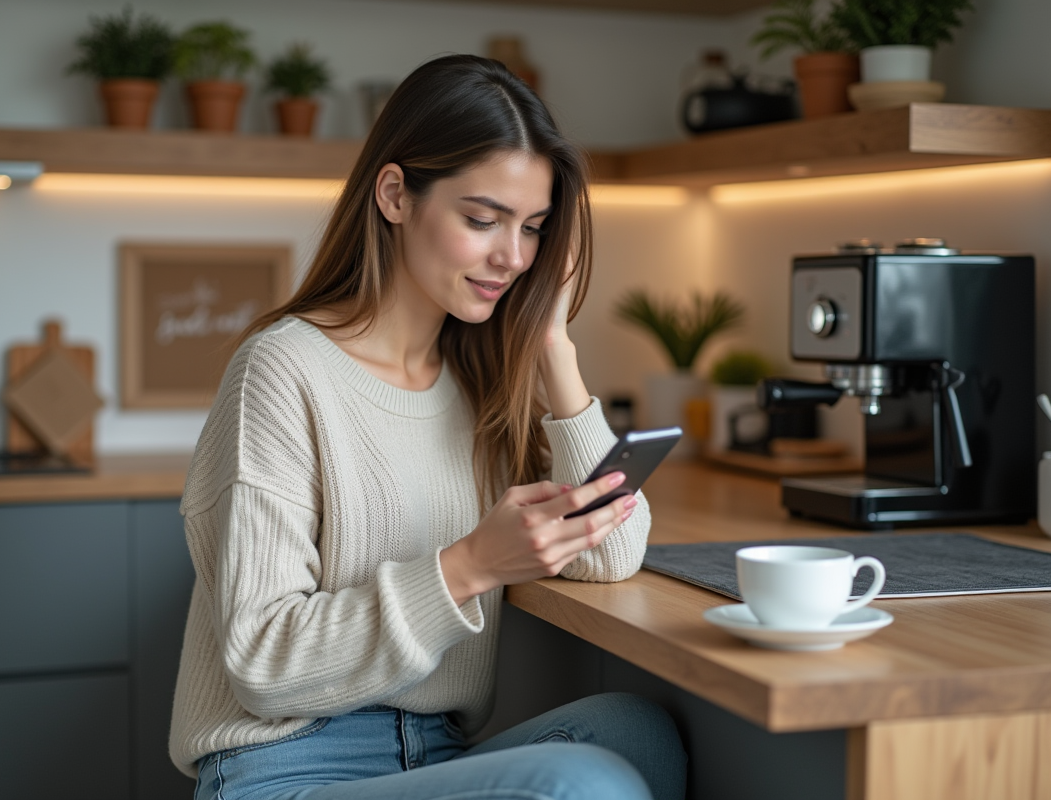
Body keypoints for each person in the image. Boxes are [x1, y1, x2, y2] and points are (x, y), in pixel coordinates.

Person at [169, 53, 688, 800]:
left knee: (637, 735)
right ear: (395, 195)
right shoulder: (281, 371)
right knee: (579, 782)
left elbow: (609, 556)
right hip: (283, 768)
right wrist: (471, 563)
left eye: (534, 229)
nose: (512, 257)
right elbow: (262, 661)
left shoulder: (478, 381)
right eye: (482, 220)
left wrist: (553, 347)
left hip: (432, 750)